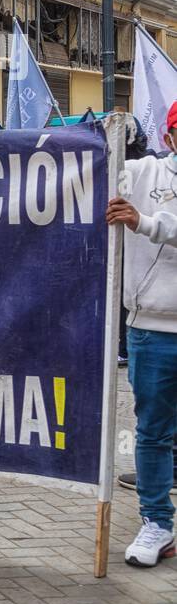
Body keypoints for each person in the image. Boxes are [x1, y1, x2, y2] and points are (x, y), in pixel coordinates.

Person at [106, 101, 177, 566]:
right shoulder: (140, 172)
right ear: (169, 136)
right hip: (152, 331)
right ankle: (158, 524)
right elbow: (71, 168)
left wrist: (143, 222)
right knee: (152, 433)